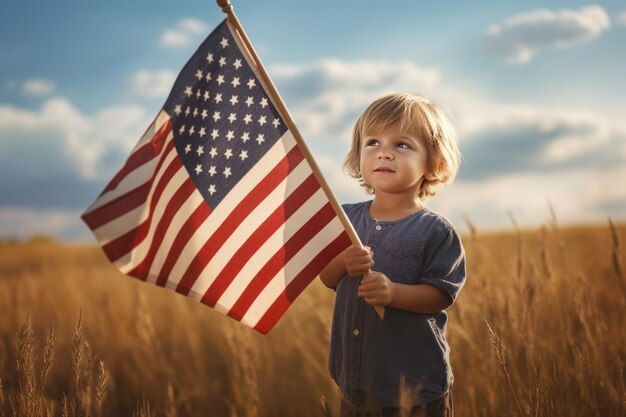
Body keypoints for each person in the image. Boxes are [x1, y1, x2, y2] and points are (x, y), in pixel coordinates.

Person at [320, 92, 466, 417]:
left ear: (434, 163)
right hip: (355, 383)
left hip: (413, 388)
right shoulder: (345, 219)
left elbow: (441, 295)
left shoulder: (435, 231)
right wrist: (343, 262)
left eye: (402, 144)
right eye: (373, 142)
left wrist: (393, 292)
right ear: (358, 155)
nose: (384, 153)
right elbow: (327, 277)